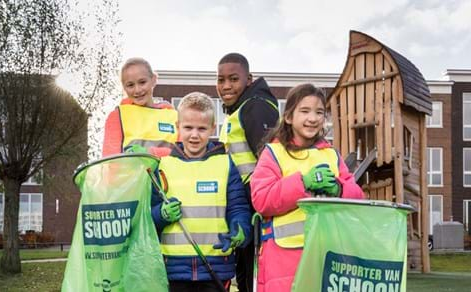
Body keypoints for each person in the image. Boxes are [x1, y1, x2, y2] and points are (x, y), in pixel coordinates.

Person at [250, 83, 364, 292]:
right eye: (305, 111)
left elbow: (358, 198)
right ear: (289, 117)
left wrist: (339, 189)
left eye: (319, 112)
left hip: (328, 254)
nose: (313, 118)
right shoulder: (274, 153)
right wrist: (303, 183)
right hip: (284, 259)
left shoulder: (331, 154)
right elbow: (262, 200)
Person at [150, 92, 252, 292]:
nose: (194, 135)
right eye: (188, 128)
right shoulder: (163, 165)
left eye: (202, 129)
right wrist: (160, 214)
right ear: (178, 127)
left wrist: (240, 230)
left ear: (213, 128)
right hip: (172, 269)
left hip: (216, 267)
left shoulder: (225, 163)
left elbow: (238, 207)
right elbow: (147, 217)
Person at [216, 52, 279, 292]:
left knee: (250, 278)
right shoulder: (240, 109)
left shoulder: (256, 108)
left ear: (249, 79)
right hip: (243, 203)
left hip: (255, 205)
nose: (226, 86)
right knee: (242, 276)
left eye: (233, 79)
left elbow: (269, 159)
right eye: (221, 80)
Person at [102, 57, 178, 157]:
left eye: (142, 82)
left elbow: (185, 154)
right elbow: (110, 160)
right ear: (124, 88)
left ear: (154, 80)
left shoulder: (174, 116)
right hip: (132, 172)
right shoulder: (118, 116)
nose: (137, 90)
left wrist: (152, 153)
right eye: (130, 85)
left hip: (169, 172)